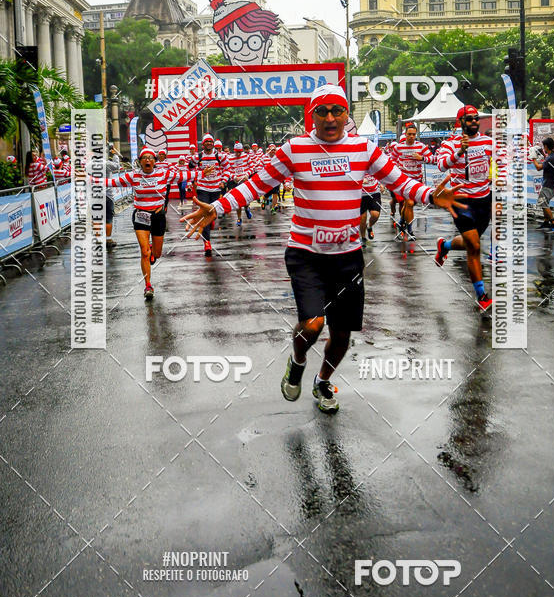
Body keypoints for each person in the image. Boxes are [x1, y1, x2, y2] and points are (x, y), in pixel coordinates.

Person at [182, 84, 464, 413]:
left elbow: (399, 180)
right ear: (312, 116)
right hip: (306, 255)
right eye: (322, 111)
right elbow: (258, 184)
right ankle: (298, 360)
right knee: (313, 324)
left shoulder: (364, 149)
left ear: (346, 114)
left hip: (348, 257)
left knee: (341, 336)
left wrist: (430, 195)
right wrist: (217, 207)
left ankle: (322, 380)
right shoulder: (294, 149)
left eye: (337, 111)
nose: (330, 118)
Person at [106, 147, 198, 300]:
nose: (148, 160)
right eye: (144, 158)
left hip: (158, 216)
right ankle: (148, 285)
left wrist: (201, 173)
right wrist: (88, 179)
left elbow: (183, 176)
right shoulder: (133, 175)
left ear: (155, 162)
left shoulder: (163, 173)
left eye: (150, 158)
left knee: (157, 254)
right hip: (141, 215)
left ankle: (152, 251)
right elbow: (111, 182)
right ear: (140, 162)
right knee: (144, 252)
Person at [434, 105, 498, 313]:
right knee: (475, 247)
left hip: (484, 200)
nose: (474, 122)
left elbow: (500, 162)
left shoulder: (488, 142)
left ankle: (445, 246)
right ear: (460, 122)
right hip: (461, 202)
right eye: (469, 119)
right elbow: (441, 165)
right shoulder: (450, 143)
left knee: (472, 241)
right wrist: (459, 152)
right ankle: (482, 296)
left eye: (476, 118)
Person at [388, 122, 435, 238]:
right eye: (409, 134)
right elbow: (391, 160)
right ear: (405, 134)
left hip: (417, 181)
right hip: (404, 181)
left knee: (410, 205)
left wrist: (422, 158)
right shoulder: (399, 147)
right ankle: (410, 230)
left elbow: (433, 159)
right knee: (409, 203)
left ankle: (401, 222)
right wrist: (397, 169)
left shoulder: (421, 146)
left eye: (414, 134)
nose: (411, 137)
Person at [195, 132, 229, 256]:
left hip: (216, 189)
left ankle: (212, 219)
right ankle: (207, 243)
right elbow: (190, 167)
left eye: (211, 141)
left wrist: (223, 181)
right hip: (202, 189)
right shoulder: (198, 156)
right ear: (203, 144)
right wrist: (193, 180)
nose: (209, 143)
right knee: (205, 215)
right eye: (207, 142)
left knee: (213, 214)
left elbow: (227, 169)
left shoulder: (220, 156)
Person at [532, 137, 554, 231]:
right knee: (545, 203)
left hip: (549, 184)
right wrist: (543, 155)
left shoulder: (550, 158)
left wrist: (533, 158)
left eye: (543, 146)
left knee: (543, 203)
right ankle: (546, 222)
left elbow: (538, 167)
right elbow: (548, 161)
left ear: (546, 146)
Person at [230, 142, 252, 225]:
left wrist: (247, 174)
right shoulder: (230, 158)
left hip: (245, 181)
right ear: (234, 151)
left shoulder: (246, 156)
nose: (238, 154)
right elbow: (228, 171)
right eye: (237, 152)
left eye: (240, 152)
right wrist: (234, 177)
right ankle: (239, 218)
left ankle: (247, 208)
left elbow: (252, 167)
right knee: (238, 200)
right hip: (236, 182)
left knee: (246, 199)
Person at [105, 144, 121, 250]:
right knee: (108, 218)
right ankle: (108, 239)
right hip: (107, 195)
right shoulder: (106, 163)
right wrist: (114, 154)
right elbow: (117, 166)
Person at [359, 173, 381, 243]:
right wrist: (360, 180)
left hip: (374, 192)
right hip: (361, 195)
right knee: (363, 219)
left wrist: (381, 184)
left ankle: (369, 226)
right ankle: (363, 237)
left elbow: (381, 172)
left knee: (375, 215)